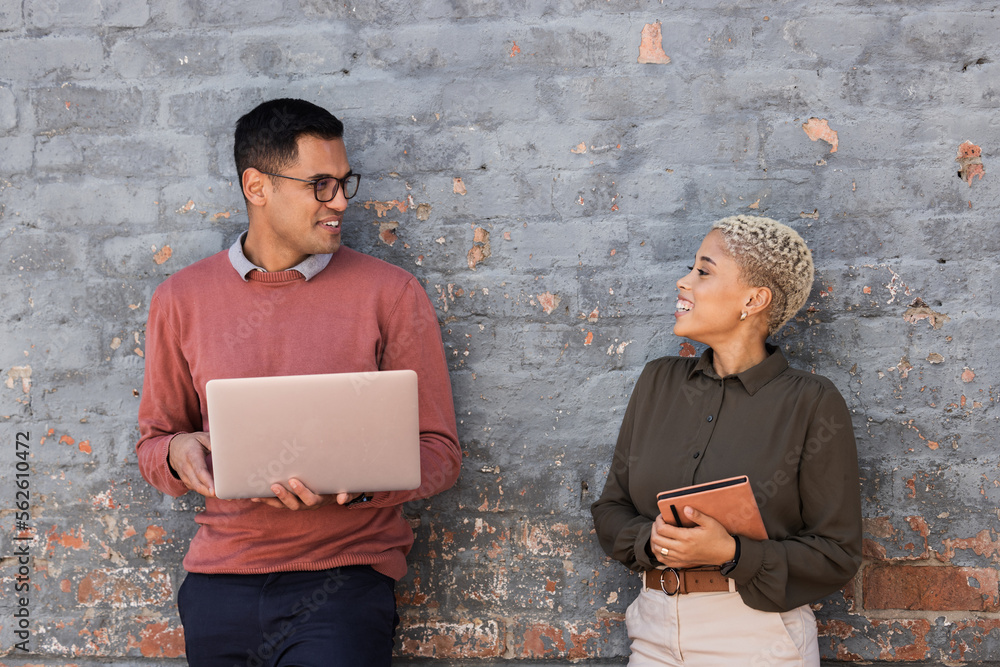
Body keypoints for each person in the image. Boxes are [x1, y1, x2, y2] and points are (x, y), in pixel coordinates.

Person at [135, 98, 461, 667]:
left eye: (343, 183)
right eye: (320, 185)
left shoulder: (391, 294)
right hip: (219, 585)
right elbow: (155, 441)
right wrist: (179, 452)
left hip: (343, 583)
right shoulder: (180, 299)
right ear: (257, 187)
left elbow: (440, 452)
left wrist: (357, 484)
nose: (339, 202)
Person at [591, 215, 862, 666]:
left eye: (703, 270)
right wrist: (652, 541)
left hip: (754, 638)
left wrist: (732, 553)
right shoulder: (658, 381)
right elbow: (610, 509)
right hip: (653, 631)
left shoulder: (811, 402)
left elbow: (837, 553)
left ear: (754, 299)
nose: (684, 281)